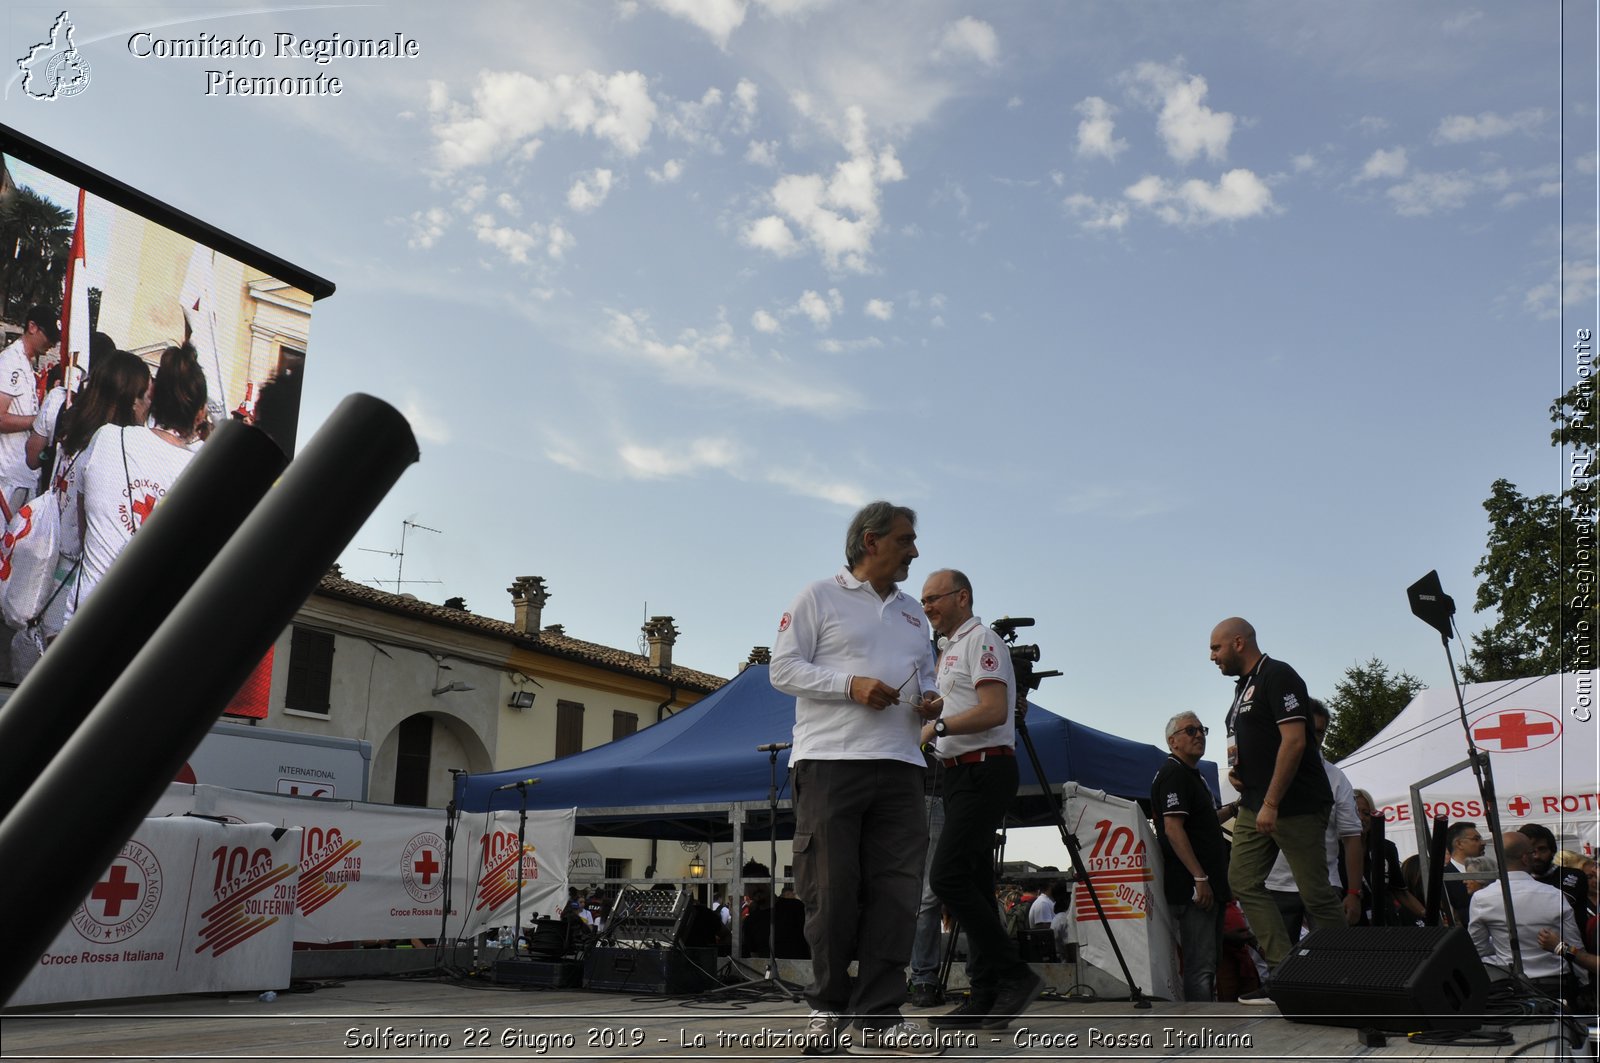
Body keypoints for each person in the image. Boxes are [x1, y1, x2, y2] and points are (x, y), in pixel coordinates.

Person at [769, 501, 942, 1056]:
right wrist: (852, 685)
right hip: (830, 762)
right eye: (905, 540)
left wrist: (930, 701)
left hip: (902, 764)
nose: (915, 550)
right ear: (871, 541)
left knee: (897, 894)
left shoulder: (916, 613)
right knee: (831, 890)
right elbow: (782, 669)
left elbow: (929, 679)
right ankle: (827, 1006)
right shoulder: (818, 596)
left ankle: (878, 1016)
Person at [916, 568, 1042, 1032]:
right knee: (972, 881)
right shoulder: (949, 650)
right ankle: (986, 994)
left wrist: (940, 726)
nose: (926, 606)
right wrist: (937, 711)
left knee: (946, 877)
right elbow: (969, 705)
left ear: (962, 597)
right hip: (958, 774)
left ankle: (1014, 974)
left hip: (983, 768)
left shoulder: (982, 639)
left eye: (933, 598)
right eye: (924, 600)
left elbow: (993, 710)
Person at [1209, 617, 1341, 1003]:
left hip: (1293, 804)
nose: (1212, 657)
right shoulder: (1243, 688)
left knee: (1315, 894)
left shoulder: (1278, 675)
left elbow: (1296, 741)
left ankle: (1347, 969)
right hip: (1254, 800)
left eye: (1216, 648)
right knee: (1243, 879)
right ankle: (1287, 970)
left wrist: (1271, 801)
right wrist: (1241, 774)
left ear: (1238, 643)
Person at [67, 346, 206, 623]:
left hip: (82, 622)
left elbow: (84, 525)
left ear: (152, 394)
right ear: (200, 415)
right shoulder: (206, 473)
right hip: (144, 631)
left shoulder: (106, 438)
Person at [31, 351, 151, 646]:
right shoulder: (105, 451)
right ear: (130, 398)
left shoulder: (74, 428)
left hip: (49, 566)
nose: (148, 405)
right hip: (72, 577)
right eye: (145, 396)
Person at [1262, 699, 1362, 942]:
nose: (1314, 737)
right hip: (1276, 884)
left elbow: (1352, 837)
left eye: (1320, 732)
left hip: (1324, 884)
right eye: (1308, 729)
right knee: (1280, 966)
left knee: (1329, 962)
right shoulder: (1268, 770)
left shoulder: (1337, 778)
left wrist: (1354, 893)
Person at [1153, 711, 1235, 1002]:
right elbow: (1173, 828)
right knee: (1200, 967)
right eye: (1190, 730)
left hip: (1209, 884)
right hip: (1194, 887)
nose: (1199, 734)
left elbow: (1202, 822)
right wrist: (1199, 878)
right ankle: (1200, 1034)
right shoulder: (1174, 773)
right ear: (1173, 741)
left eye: (1202, 729)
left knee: (1210, 963)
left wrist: (1234, 809)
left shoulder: (1192, 774)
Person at [1469, 832, 1585, 1001]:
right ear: (1525, 858)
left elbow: (1478, 948)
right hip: (1555, 985)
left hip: (1509, 986)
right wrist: (1584, 983)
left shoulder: (1482, 899)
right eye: (1532, 853)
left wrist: (1503, 948)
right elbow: (1575, 946)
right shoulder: (1554, 895)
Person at [0, 306, 58, 516]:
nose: (52, 343)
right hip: (7, 475)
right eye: (48, 335)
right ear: (32, 327)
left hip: (22, 472)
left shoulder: (26, 363)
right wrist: (39, 421)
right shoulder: (10, 361)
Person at [1350, 788, 1425, 926]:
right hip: (1354, 926)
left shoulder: (1386, 848)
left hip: (1387, 922)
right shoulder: (1334, 851)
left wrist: (1428, 916)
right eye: (1355, 813)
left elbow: (1400, 891)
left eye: (1366, 813)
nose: (1361, 818)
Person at [1443, 821, 1486, 926]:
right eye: (1476, 839)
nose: (1482, 843)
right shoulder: (1444, 877)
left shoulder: (1490, 873)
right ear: (1459, 844)